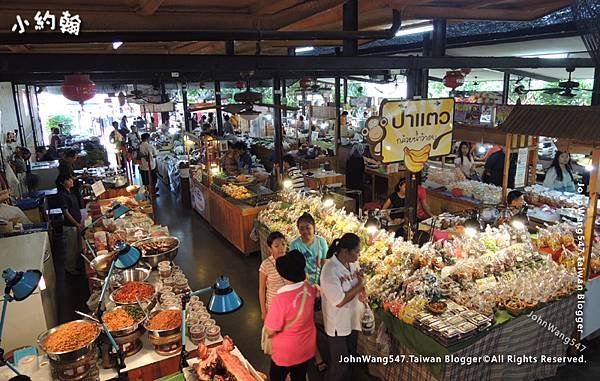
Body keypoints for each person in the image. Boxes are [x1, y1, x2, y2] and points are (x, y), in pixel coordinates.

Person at [265, 249, 317, 381]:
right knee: (299, 376)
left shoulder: (280, 300)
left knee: (277, 377)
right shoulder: (309, 289)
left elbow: (270, 331)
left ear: (283, 274)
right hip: (306, 346)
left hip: (286, 352)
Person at [320, 233, 365, 381]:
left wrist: (361, 287)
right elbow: (339, 301)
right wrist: (359, 286)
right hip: (338, 325)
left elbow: (358, 283)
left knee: (351, 358)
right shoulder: (329, 270)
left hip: (352, 320)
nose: (359, 254)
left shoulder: (353, 264)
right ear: (345, 251)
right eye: (357, 251)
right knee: (340, 364)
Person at [259, 231, 288, 355]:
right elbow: (261, 289)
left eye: (283, 244)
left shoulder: (290, 262)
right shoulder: (266, 265)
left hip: (288, 308)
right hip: (273, 308)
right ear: (269, 248)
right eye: (276, 246)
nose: (281, 248)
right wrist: (263, 311)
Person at [289, 212, 328, 286]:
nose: (305, 231)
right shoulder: (294, 245)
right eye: (301, 229)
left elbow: (324, 263)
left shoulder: (321, 242)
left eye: (308, 228)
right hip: (302, 285)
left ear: (314, 227)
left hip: (320, 284)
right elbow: (294, 268)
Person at [56, 174, 83, 275]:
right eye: (68, 179)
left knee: (77, 247)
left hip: (76, 225)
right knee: (71, 249)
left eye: (71, 179)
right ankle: (70, 269)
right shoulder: (62, 195)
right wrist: (76, 223)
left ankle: (76, 265)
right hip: (70, 226)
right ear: (62, 183)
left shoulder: (70, 192)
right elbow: (66, 212)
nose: (71, 181)